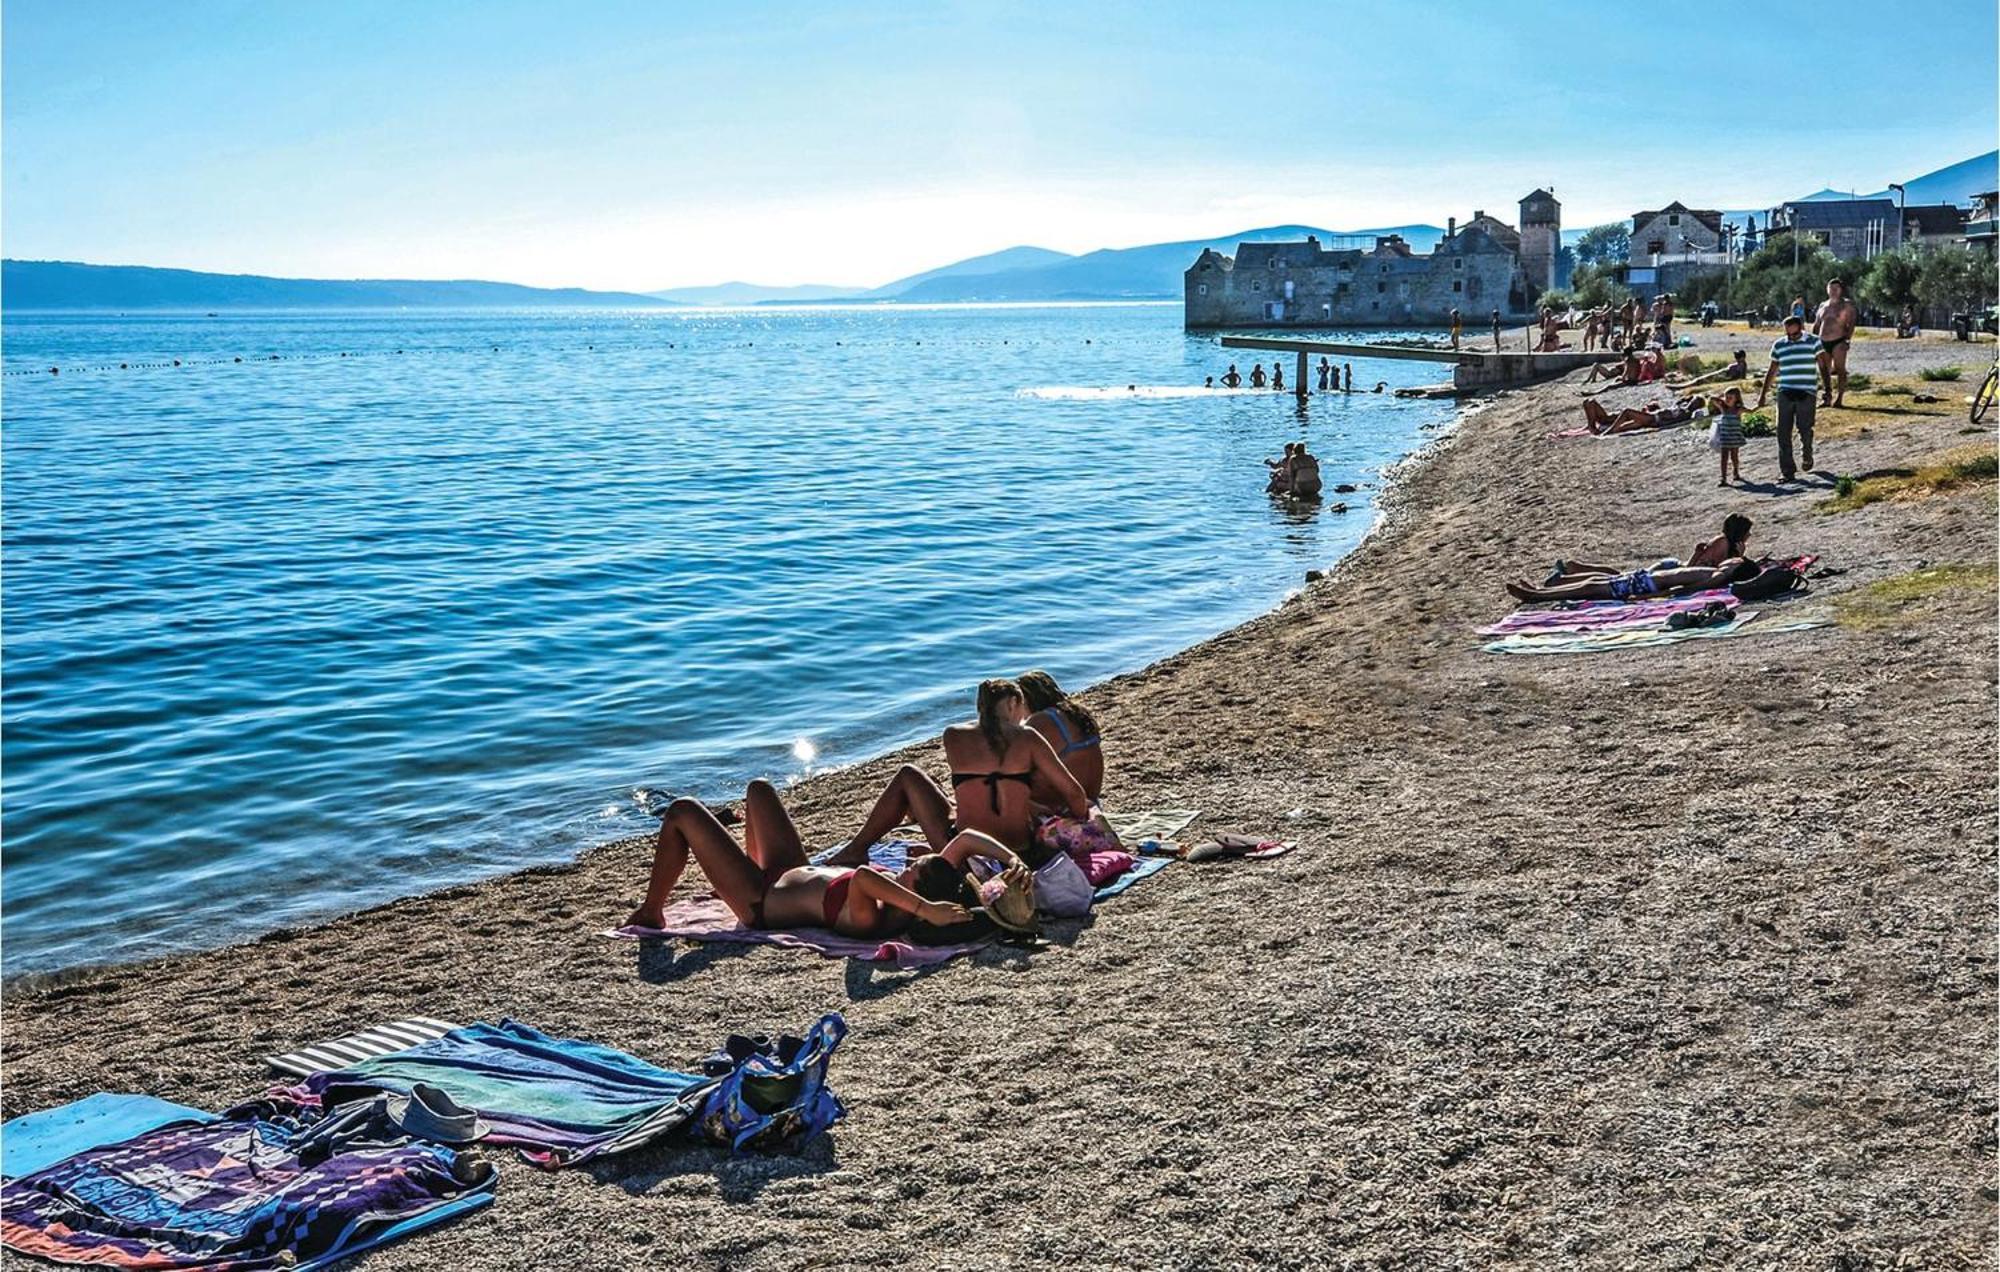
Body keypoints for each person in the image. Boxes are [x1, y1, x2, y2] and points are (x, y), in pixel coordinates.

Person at [622, 778, 1017, 938]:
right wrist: (1014, 860)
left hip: (761, 900)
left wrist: (928, 909)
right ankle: (733, 870)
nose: (904, 867)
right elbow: (964, 840)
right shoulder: (906, 893)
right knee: (759, 789)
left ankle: (652, 910)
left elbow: (862, 876)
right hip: (788, 869)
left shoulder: (873, 917)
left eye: (911, 872)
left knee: (683, 811)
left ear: (919, 901)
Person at [830, 679, 1106, 869]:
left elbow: (980, 777)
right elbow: (1075, 795)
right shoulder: (1028, 738)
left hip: (962, 852)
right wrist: (1070, 820)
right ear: (1012, 704)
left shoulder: (953, 735)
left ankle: (857, 848)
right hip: (1018, 852)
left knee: (909, 775)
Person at [1506, 558, 1760, 604]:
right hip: (1645, 580)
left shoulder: (1716, 577)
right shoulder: (1715, 573)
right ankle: (1539, 590)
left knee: (1589, 588)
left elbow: (1681, 589)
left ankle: (1537, 596)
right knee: (1593, 581)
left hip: (1646, 586)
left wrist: (1647, 597)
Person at [1755, 312, 1823, 480]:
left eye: (1795, 333)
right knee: (1782, 432)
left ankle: (1807, 453)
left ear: (1801, 328)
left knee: (1805, 428)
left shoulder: (1814, 342)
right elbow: (1772, 370)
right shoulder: (1779, 345)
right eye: (1788, 334)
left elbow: (1823, 366)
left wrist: (1828, 389)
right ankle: (1787, 471)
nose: (1791, 337)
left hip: (1807, 392)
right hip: (1785, 391)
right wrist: (1763, 394)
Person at [1018, 670, 1104, 804]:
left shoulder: (1040, 720)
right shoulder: (1078, 713)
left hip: (1065, 803)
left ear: (1026, 699)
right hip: (1091, 798)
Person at [1812, 277, 1859, 407]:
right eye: (1830, 288)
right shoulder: (1823, 305)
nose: (1833, 291)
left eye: (1836, 288)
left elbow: (1852, 323)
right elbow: (1817, 324)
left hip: (1839, 340)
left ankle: (1840, 398)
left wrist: (1847, 339)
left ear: (1841, 290)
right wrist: (1813, 340)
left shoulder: (1847, 305)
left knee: (1840, 369)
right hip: (1822, 341)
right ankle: (1827, 396)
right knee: (1824, 370)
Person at [1578, 394, 1701, 435]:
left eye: (1694, 402)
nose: (1691, 402)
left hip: (1653, 419)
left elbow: (1670, 420)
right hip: (1651, 416)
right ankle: (1591, 426)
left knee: (1627, 412)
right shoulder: (1682, 407)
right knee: (1589, 402)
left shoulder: (1686, 413)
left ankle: (1609, 431)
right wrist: (1687, 398)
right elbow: (1679, 401)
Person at [1709, 387, 1747, 485]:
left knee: (1734, 457)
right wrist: (1721, 399)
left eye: (1730, 398)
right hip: (1725, 438)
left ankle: (1736, 472)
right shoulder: (1723, 409)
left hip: (1734, 437)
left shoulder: (1738, 410)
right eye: (1726, 397)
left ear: (1736, 399)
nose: (1727, 399)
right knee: (1724, 458)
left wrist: (1760, 405)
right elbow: (1712, 399)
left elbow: (1752, 411)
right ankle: (1723, 478)